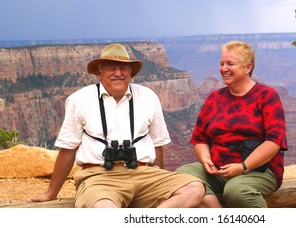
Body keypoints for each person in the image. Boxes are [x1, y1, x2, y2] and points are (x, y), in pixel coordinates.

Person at [29, 43, 205, 208]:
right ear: (99, 73)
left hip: (143, 173)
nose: (118, 73)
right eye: (111, 68)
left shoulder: (148, 96)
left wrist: (158, 179)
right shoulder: (79, 100)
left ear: (131, 72)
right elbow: (68, 149)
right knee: (105, 209)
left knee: (195, 188)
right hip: (100, 176)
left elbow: (157, 144)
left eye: (123, 68)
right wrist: (51, 193)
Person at [176, 40, 287, 208]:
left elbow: (274, 142)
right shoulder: (214, 98)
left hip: (259, 170)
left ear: (247, 67)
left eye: (230, 64)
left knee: (236, 190)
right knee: (181, 176)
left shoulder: (266, 96)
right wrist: (205, 159)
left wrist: (243, 167)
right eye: (221, 64)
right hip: (218, 168)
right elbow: (200, 139)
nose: (224, 68)